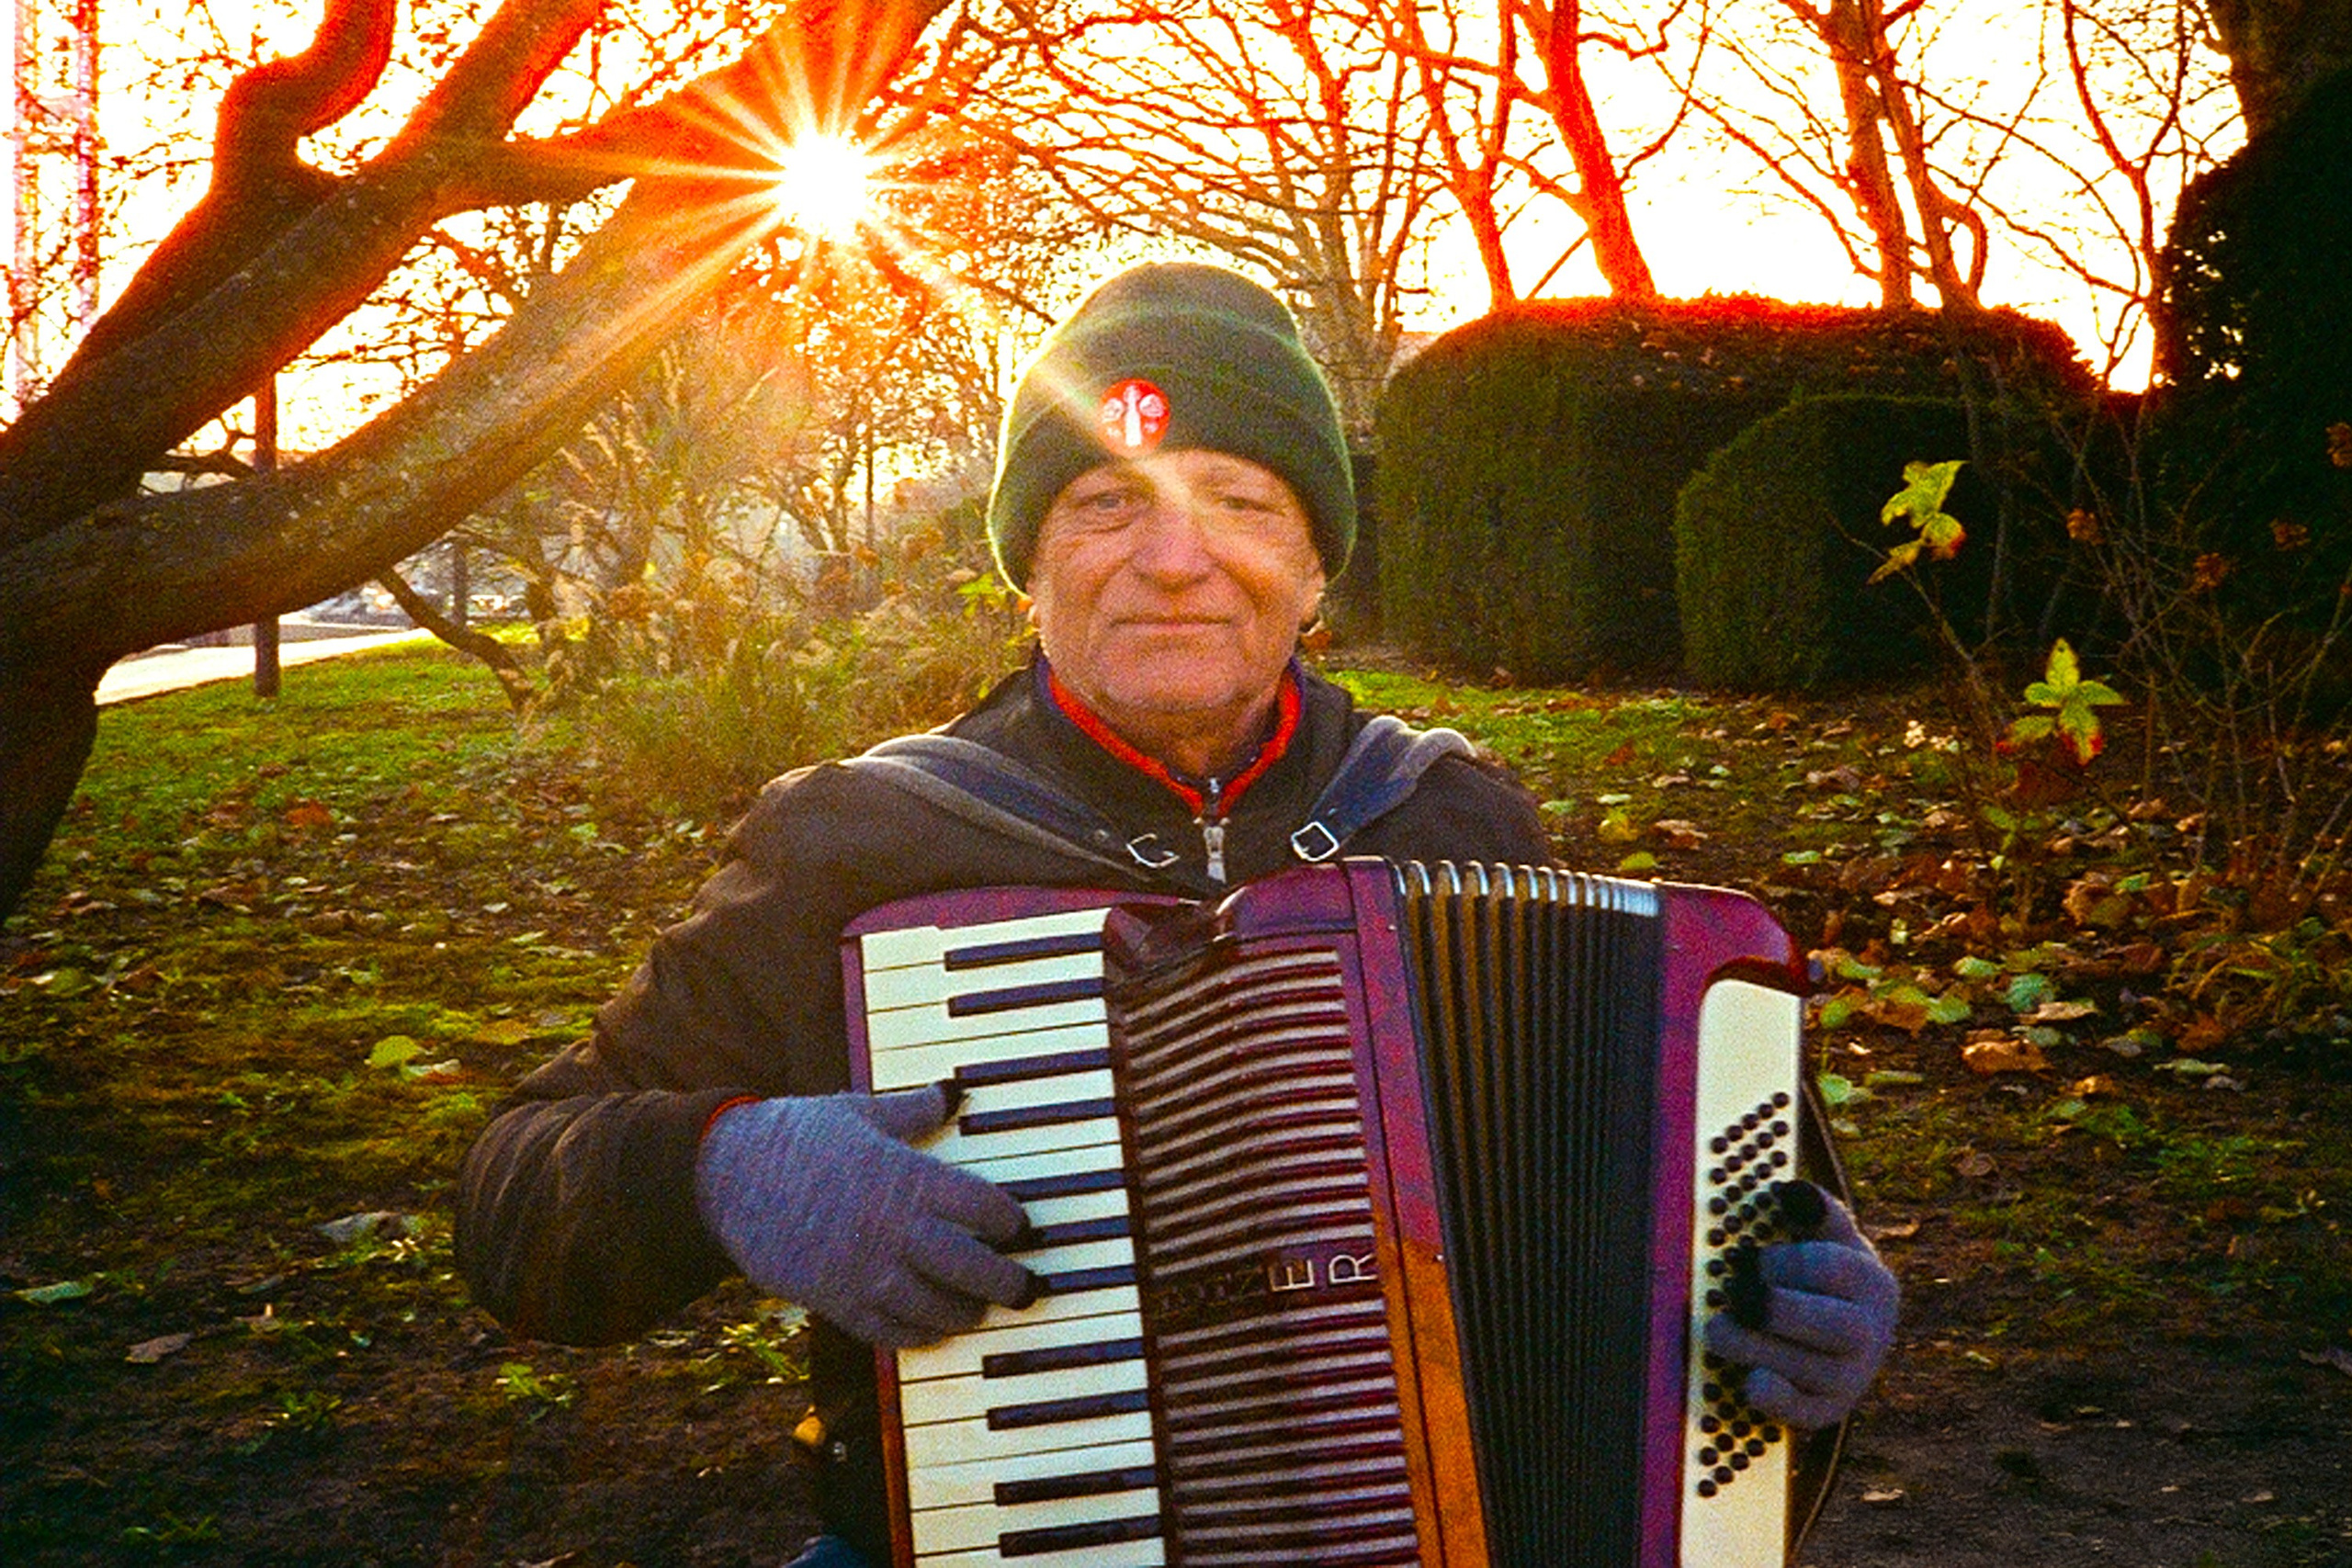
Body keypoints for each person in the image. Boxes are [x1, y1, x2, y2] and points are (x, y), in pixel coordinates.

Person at [455, 263, 1898, 1567]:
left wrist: (1801, 1306)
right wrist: (716, 1168)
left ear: (1317, 565)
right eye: (1106, 502)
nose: (1172, 558)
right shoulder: (860, 839)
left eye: (1242, 502)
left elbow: (1700, 1210)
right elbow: (513, 1202)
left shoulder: (1451, 818)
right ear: (1031, 566)